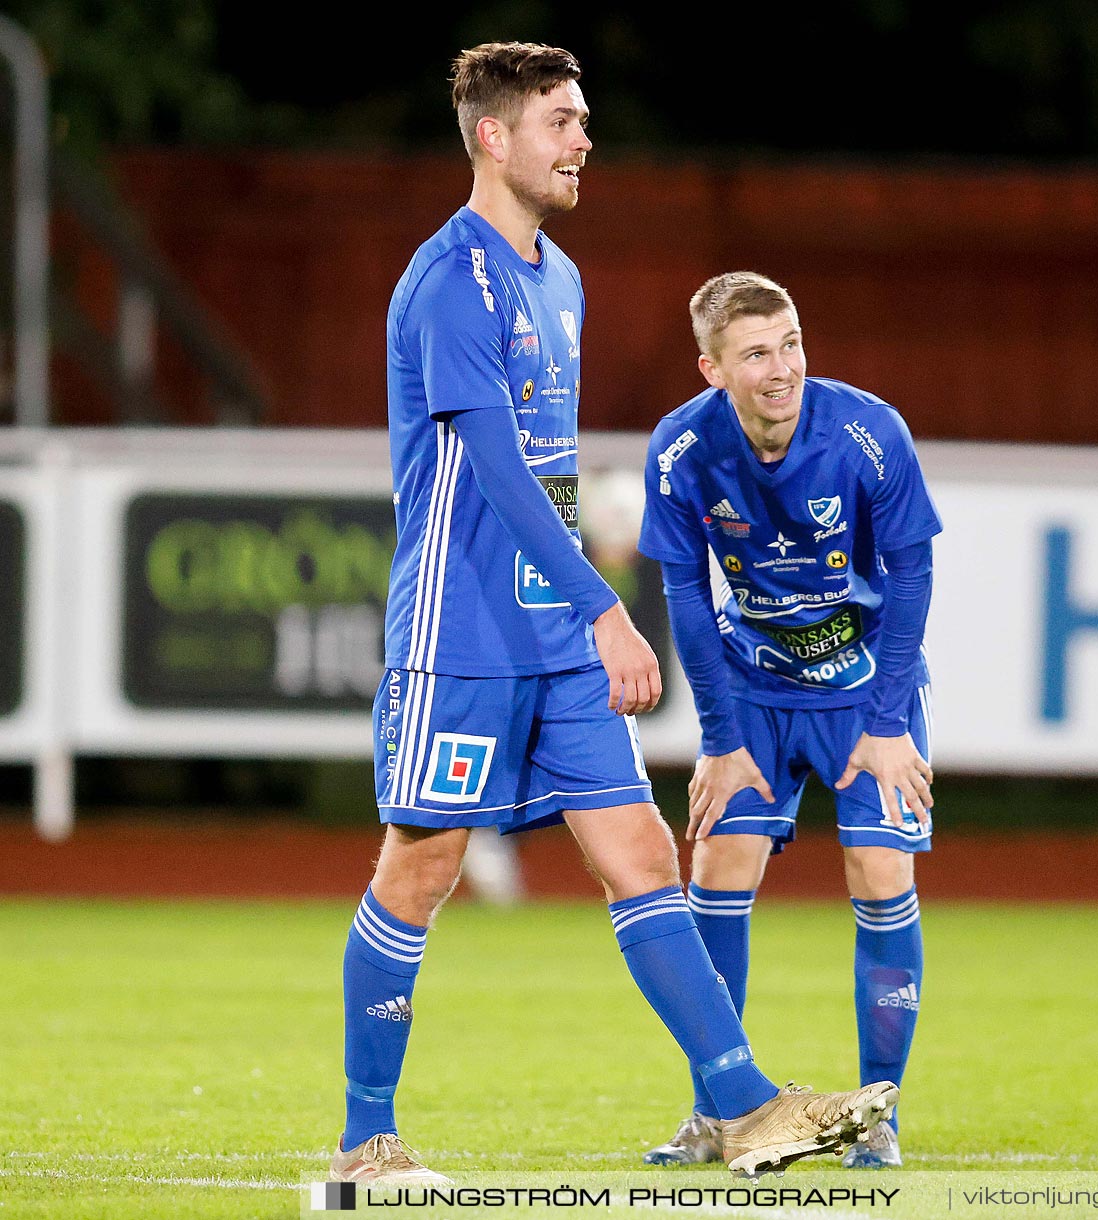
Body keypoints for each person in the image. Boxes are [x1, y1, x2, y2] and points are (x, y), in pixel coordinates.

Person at [330, 43, 895, 1186]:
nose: (584, 138)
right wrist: (605, 605)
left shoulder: (562, 278)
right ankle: (365, 1137)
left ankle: (744, 1105)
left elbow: (550, 470)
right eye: (561, 120)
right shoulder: (451, 280)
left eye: (584, 119)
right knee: (421, 865)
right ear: (495, 137)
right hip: (463, 633)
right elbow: (491, 465)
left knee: (639, 849)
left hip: (553, 631)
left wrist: (579, 608)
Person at [636, 273, 940, 1169]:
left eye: (793, 343)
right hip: (755, 694)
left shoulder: (867, 433)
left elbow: (914, 577)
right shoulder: (680, 448)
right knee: (716, 872)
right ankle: (718, 1112)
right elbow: (687, 592)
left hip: (864, 697)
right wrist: (722, 741)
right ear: (712, 368)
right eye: (758, 353)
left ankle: (879, 1114)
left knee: (880, 874)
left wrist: (889, 724)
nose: (783, 369)